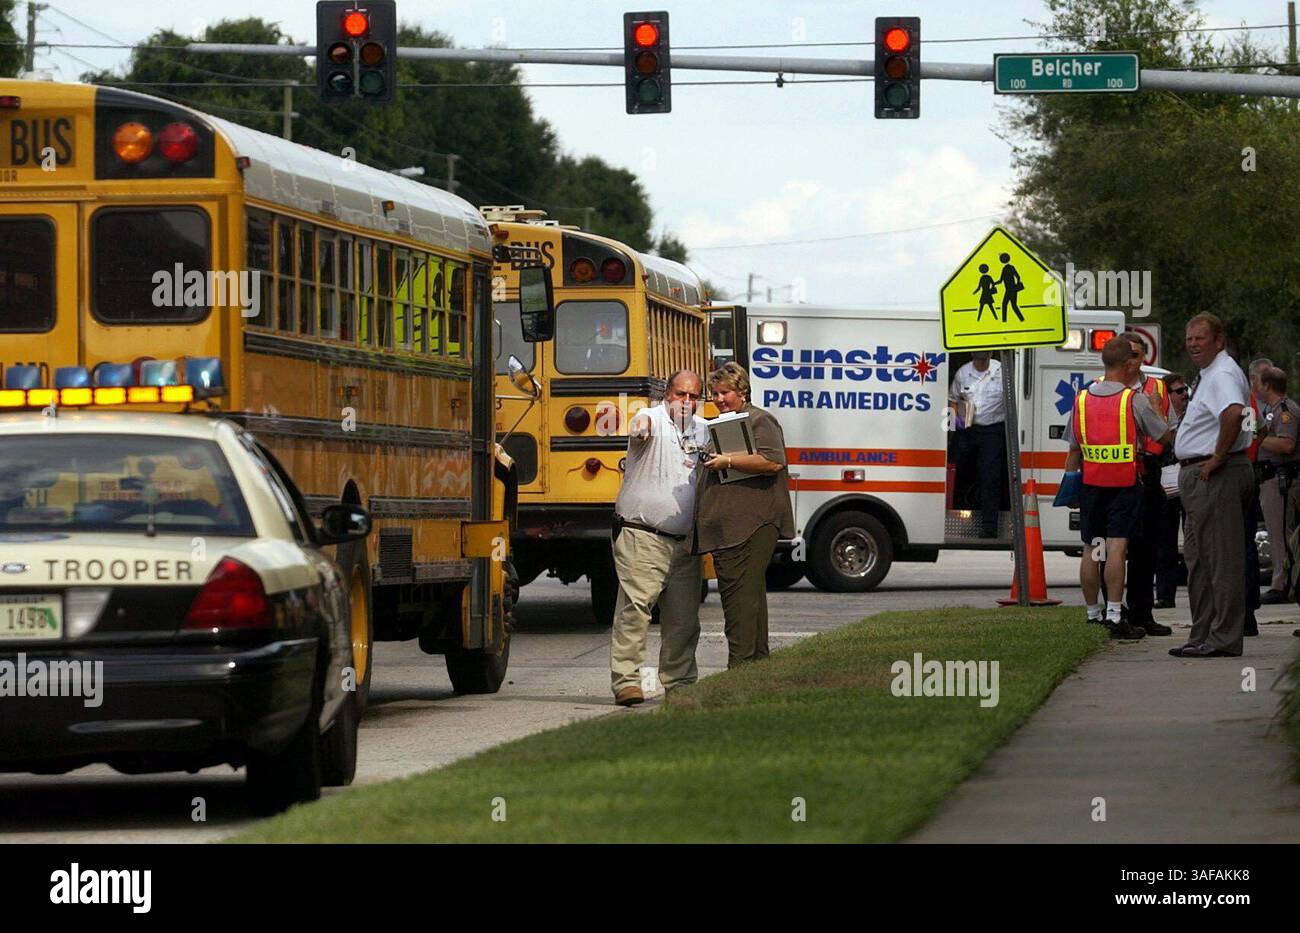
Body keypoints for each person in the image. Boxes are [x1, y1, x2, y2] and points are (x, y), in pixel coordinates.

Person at [609, 370, 709, 707]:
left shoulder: (704, 430)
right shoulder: (650, 418)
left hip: (685, 541)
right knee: (635, 610)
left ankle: (680, 682)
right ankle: (626, 681)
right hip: (643, 534)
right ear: (667, 395)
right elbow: (640, 428)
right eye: (681, 394)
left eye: (694, 396)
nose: (687, 402)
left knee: (683, 620)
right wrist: (640, 429)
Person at [1064, 336, 1171, 639]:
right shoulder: (1132, 399)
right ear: (1127, 364)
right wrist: (1155, 409)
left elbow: (1073, 450)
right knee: (1117, 547)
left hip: (1090, 483)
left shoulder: (1082, 399)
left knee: (1091, 548)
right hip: (1123, 483)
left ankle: (1091, 613)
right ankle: (1114, 613)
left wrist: (1070, 488)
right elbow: (1163, 437)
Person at [695, 362, 795, 668]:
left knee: (739, 598)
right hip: (730, 527)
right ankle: (756, 665)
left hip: (751, 525)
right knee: (748, 596)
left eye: (725, 392)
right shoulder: (725, 422)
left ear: (742, 391)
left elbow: (772, 462)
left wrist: (727, 461)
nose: (720, 399)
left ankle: (739, 667)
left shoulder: (759, 420)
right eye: (715, 394)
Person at [1169, 314, 1254, 659]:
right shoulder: (1212, 374)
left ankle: (1223, 638)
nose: (1192, 344)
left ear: (1219, 340)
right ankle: (1203, 634)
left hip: (1216, 475)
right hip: (1201, 475)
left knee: (1221, 561)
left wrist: (1218, 456)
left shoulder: (1221, 373)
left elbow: (1234, 413)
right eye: (1189, 338)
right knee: (1200, 561)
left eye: (1200, 338)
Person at [1117, 332, 1173, 634]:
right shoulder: (1103, 389)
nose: (1132, 361)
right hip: (1115, 469)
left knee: (1146, 546)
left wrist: (1155, 411)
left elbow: (1170, 430)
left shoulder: (1157, 388)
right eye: (1127, 355)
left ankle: (1142, 613)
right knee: (1110, 546)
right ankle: (1114, 611)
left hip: (1148, 468)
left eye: (1137, 355)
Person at [949, 351, 1007, 538]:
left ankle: (989, 526)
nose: (980, 361)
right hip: (968, 429)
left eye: (984, 358)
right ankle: (958, 517)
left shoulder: (1002, 371)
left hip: (993, 430)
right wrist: (953, 424)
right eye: (977, 358)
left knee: (990, 477)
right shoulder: (963, 373)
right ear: (972, 356)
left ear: (990, 355)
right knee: (960, 472)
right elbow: (953, 399)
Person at [1255, 366, 1300, 603]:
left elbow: (1287, 445)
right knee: (1276, 533)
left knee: (1282, 533)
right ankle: (1282, 578)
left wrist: (1259, 437)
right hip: (1271, 479)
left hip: (1282, 480)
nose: (1255, 387)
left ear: (1267, 386)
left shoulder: (1284, 411)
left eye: (1257, 382)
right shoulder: (1272, 411)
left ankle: (1283, 584)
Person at [1155, 372, 1190, 608]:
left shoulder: (1194, 415)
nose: (1185, 395)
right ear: (1168, 395)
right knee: (1165, 542)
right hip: (1166, 485)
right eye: (1179, 391)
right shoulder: (1161, 418)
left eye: (1185, 389)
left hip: (1189, 482)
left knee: (1195, 538)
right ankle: (1165, 596)